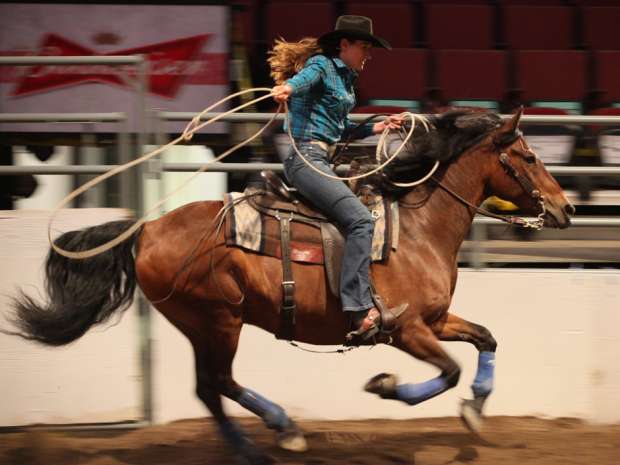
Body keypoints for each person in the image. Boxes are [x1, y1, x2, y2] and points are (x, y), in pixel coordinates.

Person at [269, 15, 404, 341]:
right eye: (364, 47)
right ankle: (357, 309)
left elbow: (339, 129)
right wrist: (287, 87)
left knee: (358, 216)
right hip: (307, 160)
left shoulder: (345, 80)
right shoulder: (321, 65)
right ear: (344, 44)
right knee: (361, 221)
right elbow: (304, 79)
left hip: (322, 160)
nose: (368, 55)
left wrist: (378, 127)